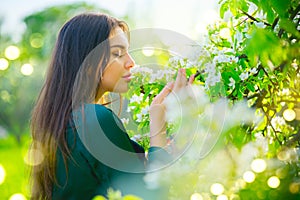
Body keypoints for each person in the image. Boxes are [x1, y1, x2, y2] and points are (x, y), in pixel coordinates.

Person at [30, 12, 195, 200]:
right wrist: (158, 127)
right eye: (117, 53)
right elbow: (148, 195)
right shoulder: (95, 119)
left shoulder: (63, 121)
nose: (131, 63)